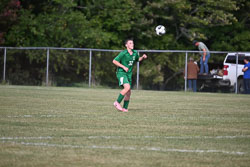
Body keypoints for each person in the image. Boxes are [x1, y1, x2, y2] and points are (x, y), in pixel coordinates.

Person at [113, 39, 147, 112]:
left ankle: (125, 108)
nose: (132, 44)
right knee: (127, 87)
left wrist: (142, 57)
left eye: (133, 43)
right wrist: (123, 67)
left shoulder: (135, 53)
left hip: (129, 74)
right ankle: (117, 102)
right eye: (130, 43)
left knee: (128, 92)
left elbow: (138, 59)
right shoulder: (123, 53)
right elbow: (114, 61)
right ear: (126, 45)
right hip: (121, 73)